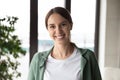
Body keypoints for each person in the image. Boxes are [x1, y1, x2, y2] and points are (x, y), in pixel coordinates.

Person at [28, 7, 102, 80]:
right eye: (52, 26)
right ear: (48, 29)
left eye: (63, 25)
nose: (58, 31)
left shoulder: (88, 57)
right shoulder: (38, 59)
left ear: (71, 25)